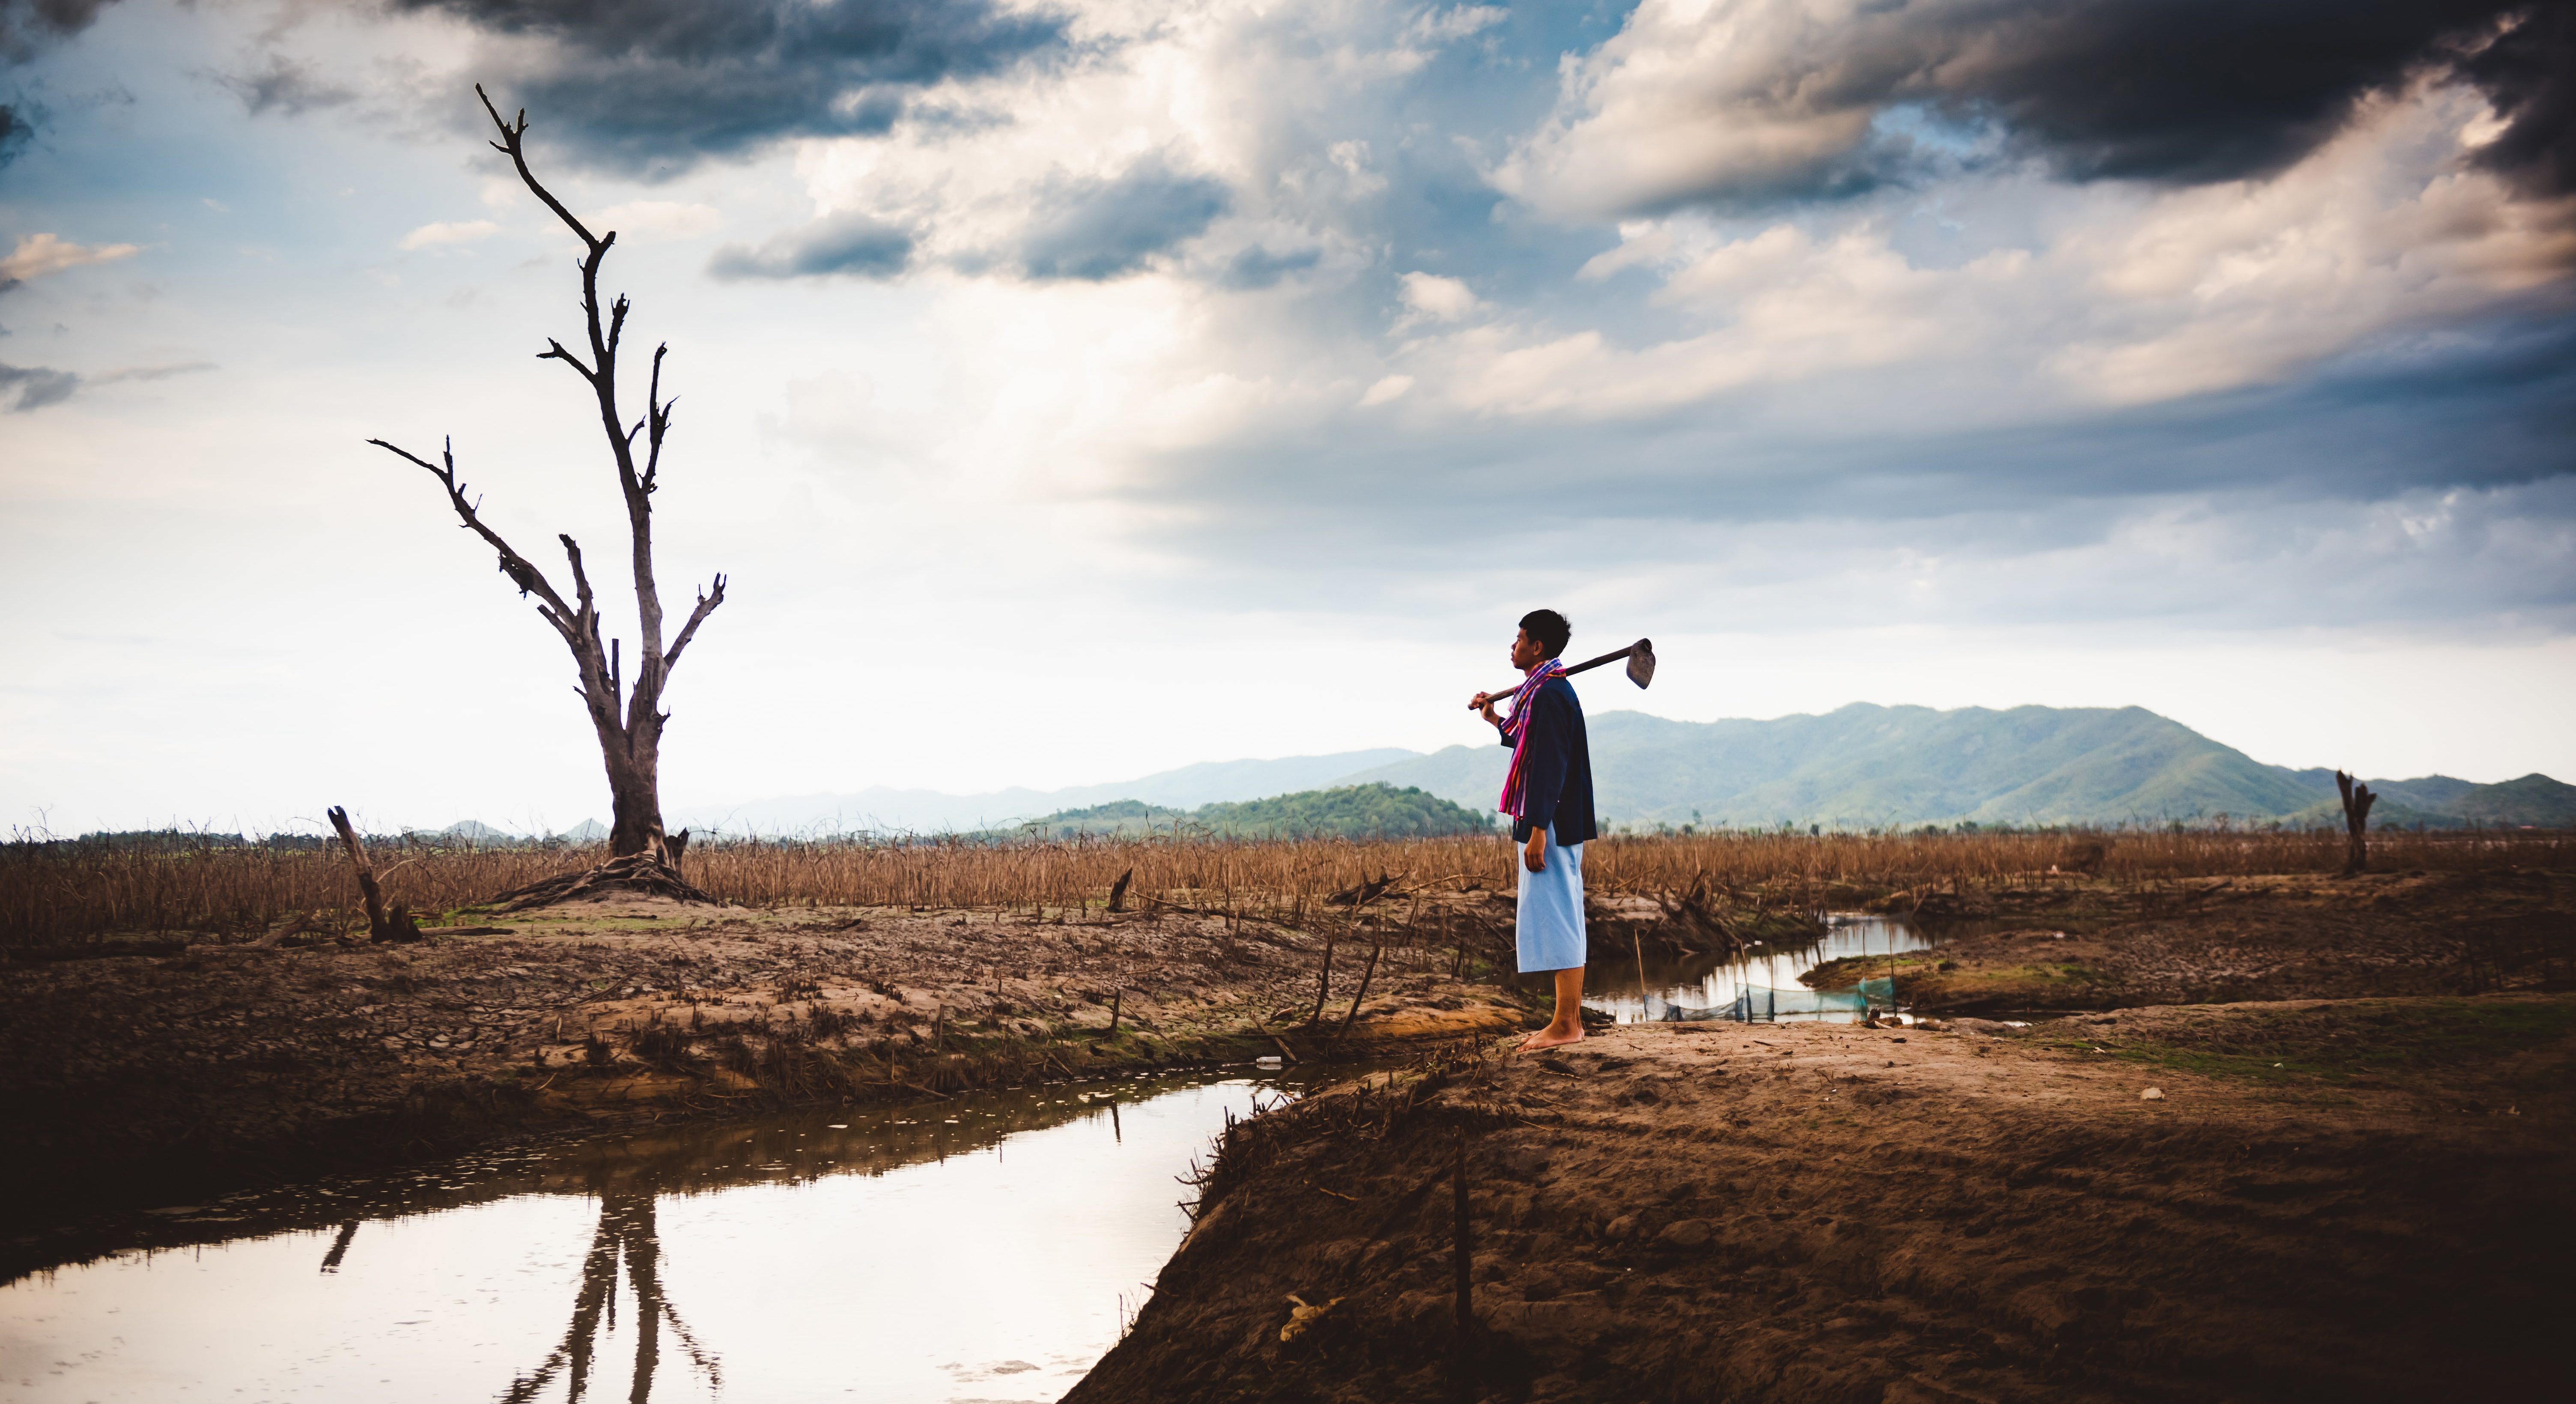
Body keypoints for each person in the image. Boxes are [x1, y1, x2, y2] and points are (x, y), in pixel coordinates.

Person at [1470, 609, 1597, 1051]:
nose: (1513, 645)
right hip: (1555, 818)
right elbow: (1527, 742)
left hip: (1553, 821)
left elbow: (1549, 766)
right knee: (1562, 912)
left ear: (1537, 647)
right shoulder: (1543, 692)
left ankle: (1565, 1025)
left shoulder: (1547, 694)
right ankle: (1570, 1020)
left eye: (1519, 637)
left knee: (1558, 915)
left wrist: (1539, 829)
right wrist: (1492, 718)